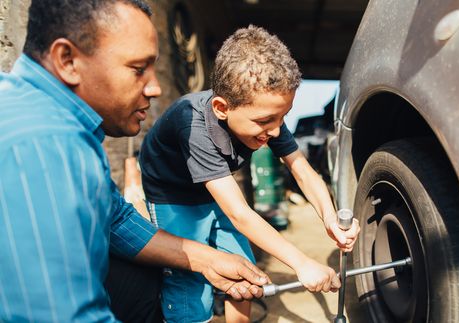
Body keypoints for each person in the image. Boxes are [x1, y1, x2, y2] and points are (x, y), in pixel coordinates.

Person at [0, 1, 269, 322]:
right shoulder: (46, 144)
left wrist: (207, 259)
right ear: (68, 60)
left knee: (148, 278)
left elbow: (114, 219)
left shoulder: (51, 115)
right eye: (138, 69)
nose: (155, 88)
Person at [139, 25, 361, 323]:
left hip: (216, 191)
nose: (276, 129)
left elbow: (303, 171)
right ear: (221, 108)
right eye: (266, 120)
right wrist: (302, 263)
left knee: (245, 270)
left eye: (283, 116)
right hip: (173, 197)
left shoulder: (268, 119)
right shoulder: (192, 124)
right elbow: (240, 215)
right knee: (189, 281)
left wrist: (330, 218)